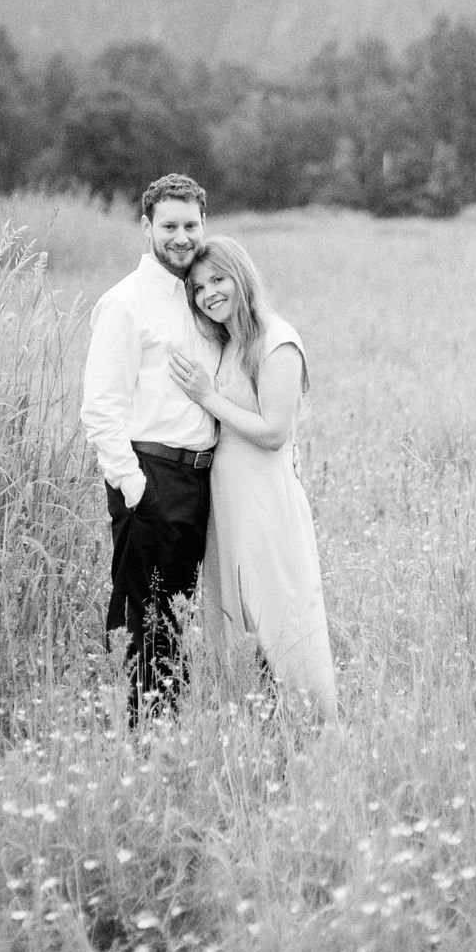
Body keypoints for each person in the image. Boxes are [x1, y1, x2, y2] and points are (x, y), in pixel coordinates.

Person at [168, 235, 338, 723]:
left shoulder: (275, 340)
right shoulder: (230, 343)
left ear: (241, 277)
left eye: (218, 279)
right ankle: (253, 719)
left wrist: (206, 395)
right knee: (237, 615)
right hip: (229, 499)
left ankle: (311, 722)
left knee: (279, 612)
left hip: (264, 498)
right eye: (199, 288)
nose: (208, 294)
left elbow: (274, 432)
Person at [80, 173, 220, 725]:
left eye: (191, 224)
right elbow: (101, 407)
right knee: (148, 619)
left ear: (203, 224)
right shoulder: (124, 304)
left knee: (180, 616)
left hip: (200, 478)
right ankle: (143, 737)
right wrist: (134, 487)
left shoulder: (203, 296)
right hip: (152, 477)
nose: (181, 237)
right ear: (146, 228)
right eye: (169, 226)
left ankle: (170, 728)